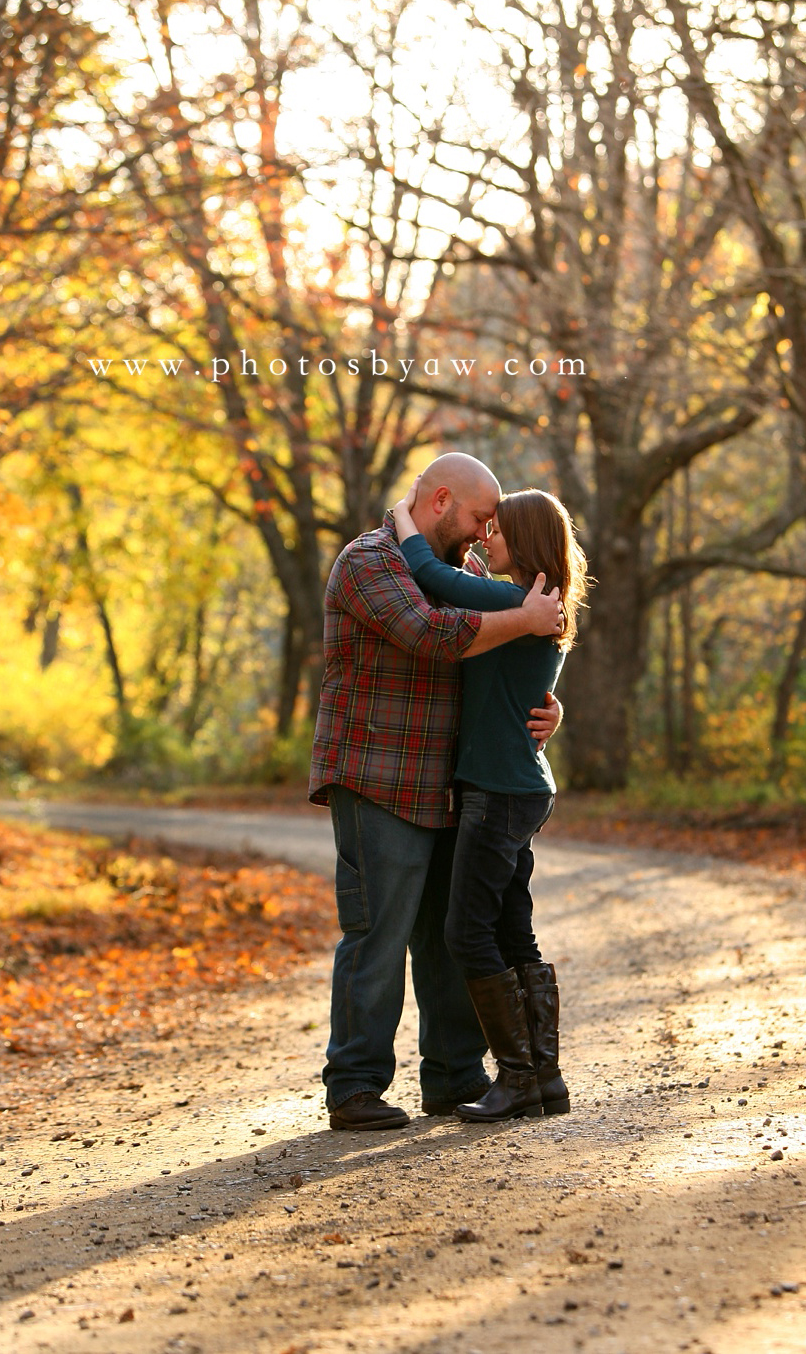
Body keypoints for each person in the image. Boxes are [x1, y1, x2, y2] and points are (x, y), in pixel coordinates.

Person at [308, 453, 565, 1131]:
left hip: (453, 785)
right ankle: (356, 1085)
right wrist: (528, 621)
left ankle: (455, 1074)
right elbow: (433, 634)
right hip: (378, 777)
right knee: (379, 934)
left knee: (451, 940)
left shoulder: (469, 572)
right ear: (442, 499)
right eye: (482, 517)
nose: (487, 535)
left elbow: (500, 660)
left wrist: (548, 705)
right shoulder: (369, 563)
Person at [392, 482, 589, 1122]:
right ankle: (543, 1082)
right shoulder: (538, 603)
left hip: (500, 792)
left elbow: (429, 574)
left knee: (467, 931)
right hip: (516, 786)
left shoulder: (514, 601)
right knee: (510, 930)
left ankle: (516, 1077)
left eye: (497, 528)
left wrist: (403, 518)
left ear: (525, 539)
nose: (485, 537)